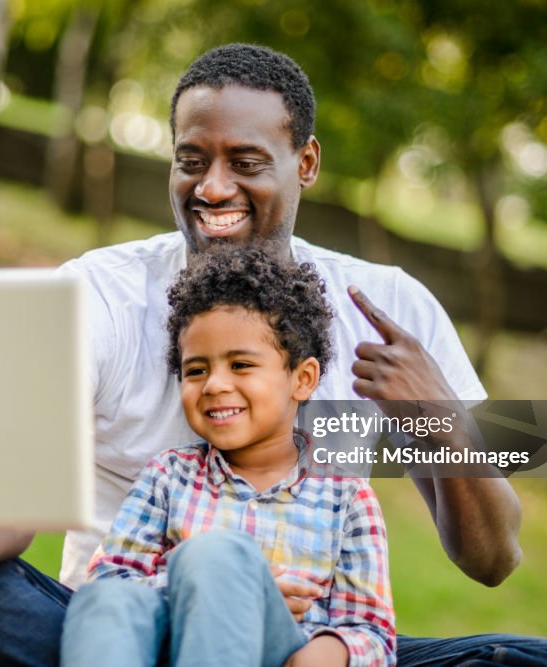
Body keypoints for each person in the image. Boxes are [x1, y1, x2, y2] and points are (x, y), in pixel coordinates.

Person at [0, 43, 547, 666]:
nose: (212, 188)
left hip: (308, 645)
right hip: (123, 628)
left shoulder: (389, 308)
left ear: (305, 161)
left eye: (245, 161)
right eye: (192, 160)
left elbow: (493, 558)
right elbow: (16, 501)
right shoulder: (100, 295)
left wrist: (439, 418)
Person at [61, 244, 395, 667]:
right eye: (196, 370)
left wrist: (328, 654)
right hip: (167, 646)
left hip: (282, 652)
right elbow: (114, 578)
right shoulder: (169, 476)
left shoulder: (345, 497)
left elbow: (372, 634)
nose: (214, 384)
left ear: (302, 378)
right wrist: (219, 588)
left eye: (240, 365)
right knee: (106, 600)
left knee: (216, 556)